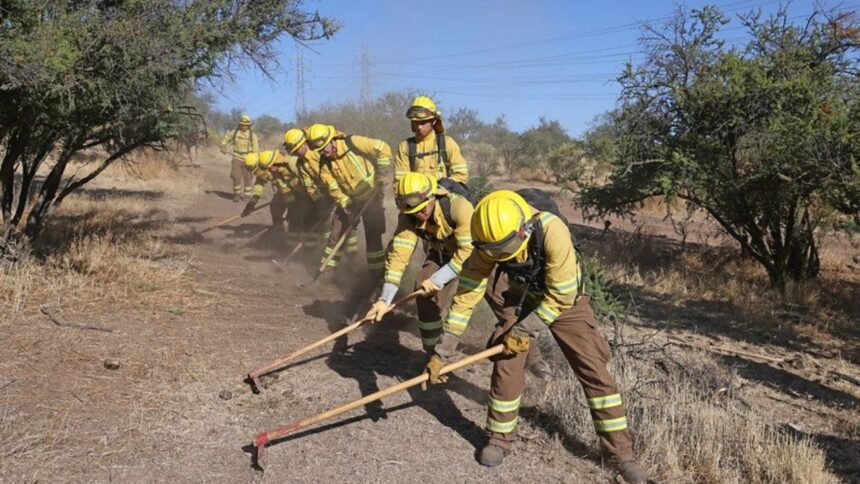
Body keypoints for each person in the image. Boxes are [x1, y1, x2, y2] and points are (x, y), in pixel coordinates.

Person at [426, 190, 647, 483]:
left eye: (504, 249)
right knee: (506, 360)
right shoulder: (486, 241)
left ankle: (621, 455)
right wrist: (443, 352)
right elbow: (467, 295)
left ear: (523, 229)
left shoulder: (553, 231)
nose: (499, 257)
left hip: (566, 303)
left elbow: (561, 296)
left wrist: (524, 330)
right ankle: (499, 439)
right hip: (521, 297)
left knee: (594, 371)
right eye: (493, 252)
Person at [363, 173, 474, 352]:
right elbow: (399, 256)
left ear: (432, 195)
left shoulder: (459, 208)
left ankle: (520, 343)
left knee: (502, 303)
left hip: (479, 257)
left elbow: (467, 252)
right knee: (423, 293)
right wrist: (385, 299)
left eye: (423, 209)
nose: (419, 215)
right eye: (413, 211)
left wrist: (438, 279)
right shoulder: (408, 217)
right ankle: (432, 353)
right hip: (443, 253)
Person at [306, 124, 392, 278]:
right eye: (319, 151)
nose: (323, 153)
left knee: (373, 235)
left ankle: (377, 276)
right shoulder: (324, 163)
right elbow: (333, 187)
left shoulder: (352, 142)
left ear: (332, 140)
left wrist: (382, 174)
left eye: (324, 148)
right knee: (336, 233)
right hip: (351, 200)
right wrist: (346, 204)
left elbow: (383, 148)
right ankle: (326, 273)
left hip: (372, 196)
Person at [394, 96, 469, 186]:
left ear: (433, 121)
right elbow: (400, 181)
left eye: (423, 122)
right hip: (415, 194)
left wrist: (444, 186)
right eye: (416, 122)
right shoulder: (405, 147)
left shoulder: (447, 143)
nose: (419, 127)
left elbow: (462, 175)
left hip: (444, 193)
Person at [220, 114, 259, 202]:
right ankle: (237, 194)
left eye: (246, 125)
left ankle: (247, 195)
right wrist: (223, 146)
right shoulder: (234, 132)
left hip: (248, 159)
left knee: (248, 177)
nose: (244, 126)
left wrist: (255, 159)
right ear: (240, 124)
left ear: (249, 126)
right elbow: (226, 139)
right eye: (242, 125)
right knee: (235, 176)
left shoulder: (252, 135)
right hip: (237, 157)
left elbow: (256, 148)